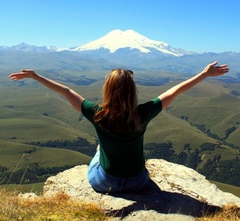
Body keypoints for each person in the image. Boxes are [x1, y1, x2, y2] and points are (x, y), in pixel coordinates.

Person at [9, 61, 229, 193]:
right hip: (138, 182)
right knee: (105, 152)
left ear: (108, 90)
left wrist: (35, 77)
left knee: (98, 150)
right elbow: (175, 92)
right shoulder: (142, 114)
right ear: (132, 91)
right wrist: (204, 74)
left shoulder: (97, 114)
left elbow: (66, 91)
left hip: (106, 183)